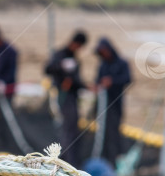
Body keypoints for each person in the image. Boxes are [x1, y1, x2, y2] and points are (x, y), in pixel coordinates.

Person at [44, 30, 88, 167]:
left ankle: (68, 160)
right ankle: (66, 162)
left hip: (73, 98)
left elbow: (76, 81)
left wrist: (86, 86)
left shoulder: (75, 59)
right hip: (63, 98)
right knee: (68, 129)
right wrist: (61, 66)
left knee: (73, 129)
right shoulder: (59, 55)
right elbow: (47, 69)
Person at [94, 37, 132, 166]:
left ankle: (114, 160)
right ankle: (104, 159)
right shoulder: (103, 65)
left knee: (114, 132)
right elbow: (97, 81)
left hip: (116, 104)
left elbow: (127, 79)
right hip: (102, 106)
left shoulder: (122, 63)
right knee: (103, 132)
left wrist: (112, 82)